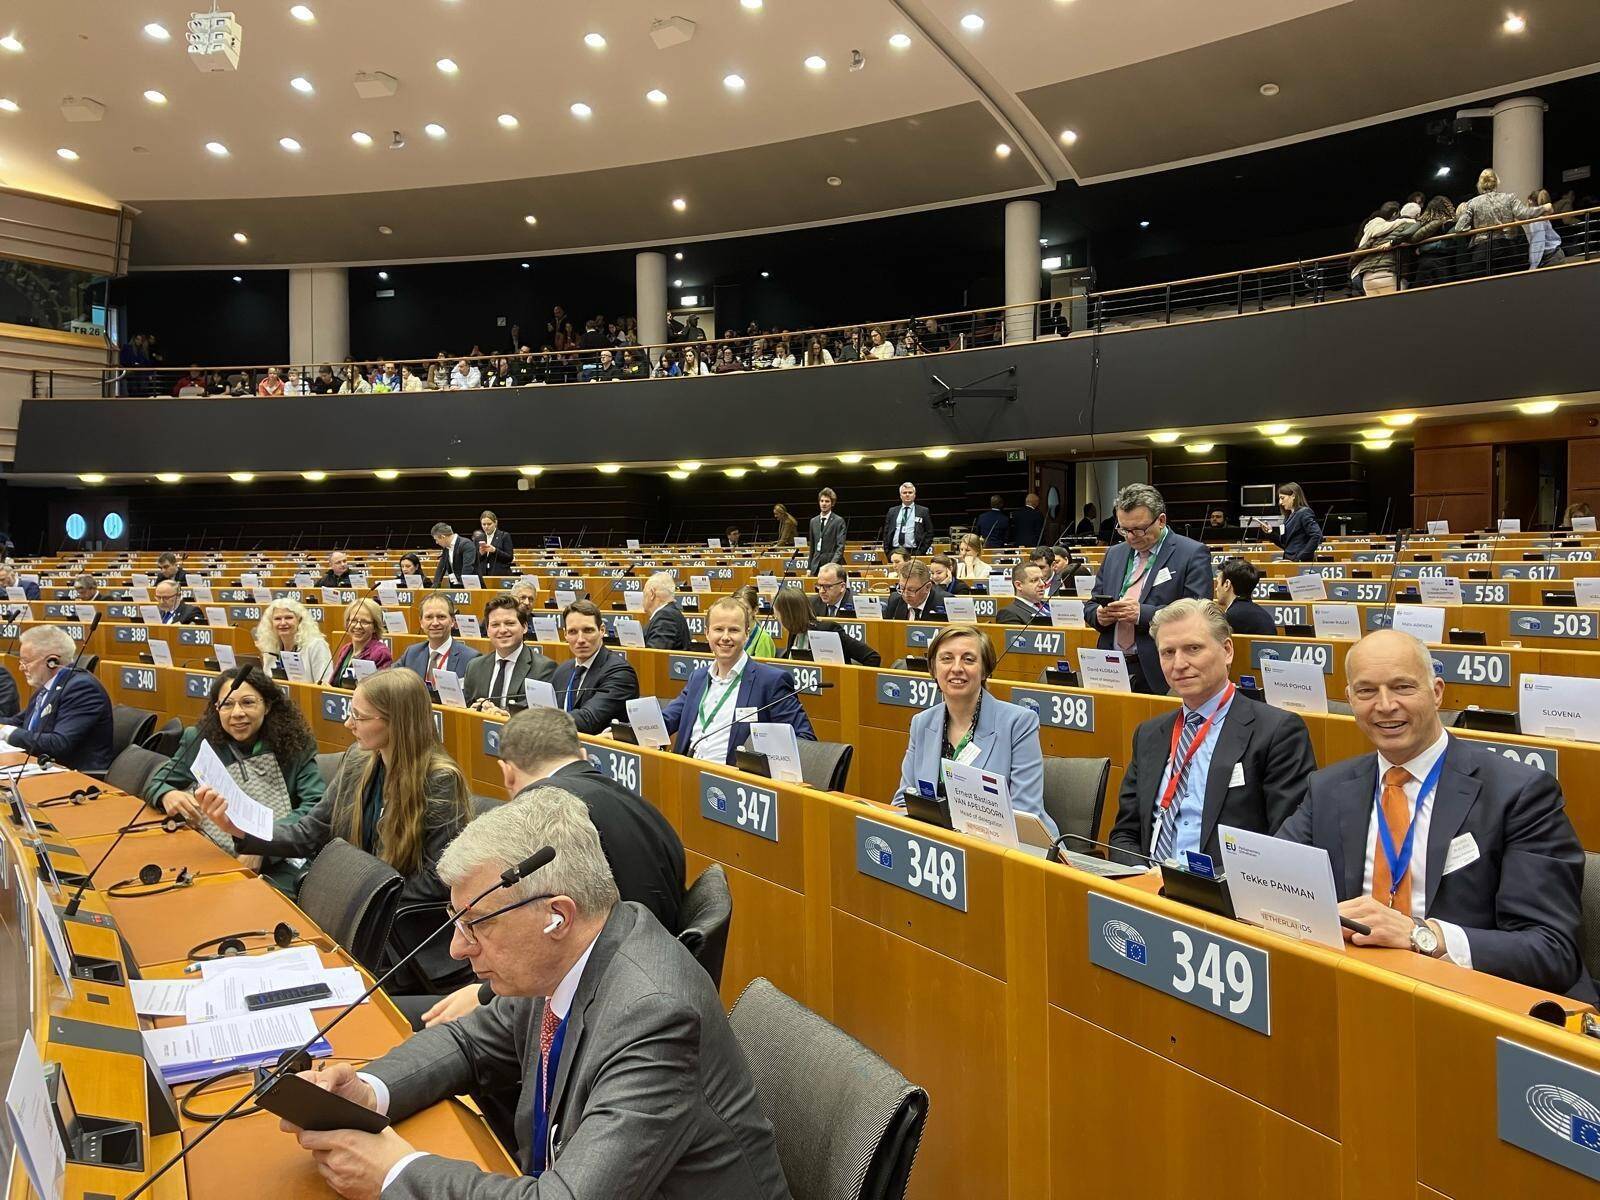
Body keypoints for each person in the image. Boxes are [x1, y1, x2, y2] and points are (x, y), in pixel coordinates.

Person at [285, 789, 787, 1199]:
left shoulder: (654, 1016)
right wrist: (369, 1092)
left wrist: (396, 1172)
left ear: (557, 916)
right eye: (455, 922)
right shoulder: (569, 954)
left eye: (476, 925)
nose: (459, 949)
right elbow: (468, 1042)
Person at [1278, 630, 1594, 1001]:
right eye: (1366, 692)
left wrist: (1419, 935)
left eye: (1402, 687)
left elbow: (1551, 950)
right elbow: (1274, 887)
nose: (1384, 705)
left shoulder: (1519, 793)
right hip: (1354, 986)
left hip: (1469, 1000)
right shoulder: (1327, 788)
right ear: (1349, 700)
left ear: (1437, 692)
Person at [201, 669, 477, 1000]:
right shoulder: (358, 760)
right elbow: (310, 832)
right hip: (356, 916)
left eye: (359, 717)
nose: (349, 725)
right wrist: (241, 830)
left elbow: (439, 879)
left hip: (400, 932)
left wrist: (358, 899)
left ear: (397, 722)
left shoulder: (440, 779)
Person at [1109, 600, 1315, 866]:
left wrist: (1196, 887)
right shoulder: (1148, 734)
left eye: (1193, 649)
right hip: (1146, 887)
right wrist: (1139, 877)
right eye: (1168, 652)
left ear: (1227, 650)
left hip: (1220, 896)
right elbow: (1125, 833)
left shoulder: (1276, 732)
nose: (1179, 664)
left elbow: (1285, 846)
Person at [144, 665, 325, 893]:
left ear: (267, 706)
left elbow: (314, 810)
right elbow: (157, 783)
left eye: (248, 703)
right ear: (216, 709)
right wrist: (166, 795)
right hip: (212, 852)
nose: (237, 713)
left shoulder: (295, 744)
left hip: (278, 859)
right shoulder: (200, 739)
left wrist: (260, 847)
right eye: (227, 704)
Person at [895, 624, 1054, 837]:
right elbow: (902, 801)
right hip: (940, 847)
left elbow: (1024, 814)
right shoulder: (922, 723)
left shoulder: (1018, 723)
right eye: (946, 658)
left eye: (968, 659)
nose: (957, 668)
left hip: (1011, 851)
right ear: (933, 668)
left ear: (985, 670)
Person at [1082, 483, 1214, 694]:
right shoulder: (1114, 554)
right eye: (1124, 529)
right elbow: (1090, 605)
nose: (1131, 536)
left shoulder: (1191, 553)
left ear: (1161, 520)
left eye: (1139, 529)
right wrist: (1099, 615)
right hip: (1109, 665)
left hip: (1158, 666)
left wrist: (1142, 614)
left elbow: (1199, 613)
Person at [657, 597, 814, 763]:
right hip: (685, 772)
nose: (725, 637)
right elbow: (665, 721)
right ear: (707, 633)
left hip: (733, 781)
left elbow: (805, 740)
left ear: (746, 634)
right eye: (718, 629)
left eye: (733, 630)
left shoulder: (771, 682)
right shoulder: (698, 678)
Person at [0, 625, 113, 773]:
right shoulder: (48, 687)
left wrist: (8, 732)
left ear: (52, 661)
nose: (21, 668)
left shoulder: (82, 689)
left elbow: (59, 743)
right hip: (43, 769)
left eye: (26, 662)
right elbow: (19, 722)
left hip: (77, 780)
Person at [550, 600, 639, 734]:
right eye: (573, 632)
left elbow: (588, 720)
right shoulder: (562, 670)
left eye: (588, 630)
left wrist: (538, 721)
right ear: (565, 635)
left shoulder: (620, 673)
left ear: (602, 630)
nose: (580, 639)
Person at [463, 597, 556, 714]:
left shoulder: (544, 668)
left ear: (525, 627)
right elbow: (465, 709)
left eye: (510, 623)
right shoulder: (474, 666)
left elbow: (541, 715)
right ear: (487, 630)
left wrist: (507, 716)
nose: (502, 630)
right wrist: (474, 709)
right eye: (495, 625)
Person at [1452, 168, 1551, 277]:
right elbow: (1524, 214)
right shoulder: (1509, 198)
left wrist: (1475, 229)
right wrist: (1544, 208)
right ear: (1496, 182)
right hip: (1506, 250)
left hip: (1481, 253)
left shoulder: (1472, 203)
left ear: (1480, 184)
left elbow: (1459, 227)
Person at [773, 587, 879, 666]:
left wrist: (854, 686)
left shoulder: (828, 630)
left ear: (788, 615)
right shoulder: (794, 632)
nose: (776, 618)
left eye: (777, 614)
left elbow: (872, 658)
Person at [398, 592, 480, 686]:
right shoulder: (411, 653)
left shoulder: (471, 659)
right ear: (421, 622)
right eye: (429, 617)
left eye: (441, 617)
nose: (435, 623)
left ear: (452, 621)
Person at [253, 597, 333, 685]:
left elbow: (324, 685)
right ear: (271, 623)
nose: (283, 623)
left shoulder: (316, 645)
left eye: (288, 617)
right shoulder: (270, 647)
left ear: (299, 620)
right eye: (277, 619)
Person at [328, 597, 395, 686]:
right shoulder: (346, 649)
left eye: (365, 622)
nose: (358, 626)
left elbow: (380, 692)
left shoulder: (381, 653)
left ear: (375, 627)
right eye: (354, 621)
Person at [1214, 557, 1276, 636]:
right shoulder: (1264, 614)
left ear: (1227, 584)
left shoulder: (1231, 617)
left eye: (1218, 583)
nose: (1216, 589)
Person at [1266, 481, 1323, 562]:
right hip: (1289, 560)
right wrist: (1270, 533)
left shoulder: (1304, 512)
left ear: (1293, 496)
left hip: (1299, 563)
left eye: (1282, 498)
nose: (1280, 502)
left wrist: (1301, 557)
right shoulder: (1288, 517)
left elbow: (1317, 535)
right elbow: (1286, 545)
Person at [881, 559, 946, 622]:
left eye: (911, 590)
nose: (905, 594)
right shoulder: (895, 600)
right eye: (902, 588)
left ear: (927, 587)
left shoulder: (945, 603)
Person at [641, 572, 691, 650]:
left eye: (644, 593)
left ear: (652, 594)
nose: (642, 598)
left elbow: (653, 656)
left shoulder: (666, 617)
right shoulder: (668, 613)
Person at [881, 480, 933, 556]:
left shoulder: (923, 511)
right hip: (895, 550)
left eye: (910, 492)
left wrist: (921, 551)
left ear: (914, 495)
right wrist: (887, 551)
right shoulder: (892, 511)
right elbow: (886, 532)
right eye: (904, 493)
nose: (907, 495)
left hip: (914, 551)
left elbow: (929, 532)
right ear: (900, 495)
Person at [730, 585, 777, 659]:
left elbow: (762, 669)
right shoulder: (728, 635)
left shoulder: (763, 639)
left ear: (755, 610)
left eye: (745, 609)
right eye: (736, 608)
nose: (740, 613)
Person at [807, 487, 847, 575]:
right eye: (822, 501)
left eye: (827, 501)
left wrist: (831, 566)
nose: (824, 504)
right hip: (816, 566)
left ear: (832, 503)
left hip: (832, 565)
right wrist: (809, 567)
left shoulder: (838, 521)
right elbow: (812, 548)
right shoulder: (813, 521)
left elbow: (840, 548)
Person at [1526, 188, 1566, 269]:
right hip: (1556, 254)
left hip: (1549, 258)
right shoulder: (1541, 217)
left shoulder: (1536, 220)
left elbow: (1537, 244)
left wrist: (1533, 266)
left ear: (1530, 202)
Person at [472, 510, 515, 578]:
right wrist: (480, 553)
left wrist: (495, 550)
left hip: (500, 574)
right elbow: (473, 560)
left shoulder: (504, 536)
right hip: (483, 575)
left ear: (495, 523)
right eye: (484, 524)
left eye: (489, 524)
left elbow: (509, 557)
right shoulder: (478, 538)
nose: (486, 526)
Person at [431, 521, 474, 586]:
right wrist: (435, 585)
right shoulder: (446, 547)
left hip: (470, 586)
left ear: (443, 537)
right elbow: (441, 567)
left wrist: (461, 588)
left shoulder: (466, 544)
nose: (436, 542)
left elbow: (468, 568)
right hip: (455, 586)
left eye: (436, 539)